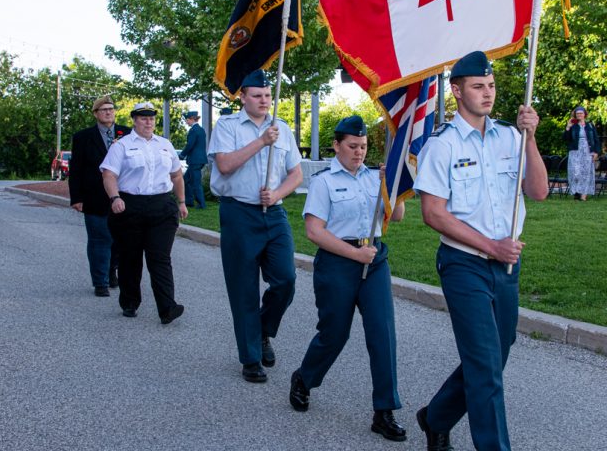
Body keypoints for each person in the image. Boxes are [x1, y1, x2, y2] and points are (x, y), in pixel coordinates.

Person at [413, 51, 548, 451]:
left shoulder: (511, 135)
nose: (487, 93)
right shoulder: (443, 144)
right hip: (463, 265)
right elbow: (433, 214)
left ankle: (435, 416)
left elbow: (538, 191)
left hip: (506, 267)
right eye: (478, 86)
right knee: (486, 368)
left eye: (490, 86)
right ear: (456, 91)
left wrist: (532, 138)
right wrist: (491, 246)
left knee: (495, 356)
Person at [289, 115, 407, 442]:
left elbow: (396, 216)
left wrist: (390, 187)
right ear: (337, 146)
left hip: (374, 261)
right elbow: (314, 231)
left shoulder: (374, 178)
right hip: (338, 263)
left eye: (364, 146)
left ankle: (384, 411)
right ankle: (304, 378)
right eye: (353, 146)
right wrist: (354, 255)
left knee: (383, 335)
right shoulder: (324, 182)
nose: (359, 152)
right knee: (334, 334)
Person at [208, 69, 303, 383]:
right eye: (258, 95)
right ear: (243, 97)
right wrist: (261, 142)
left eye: (268, 95)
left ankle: (262, 331)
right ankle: (250, 359)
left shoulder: (282, 128)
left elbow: (296, 175)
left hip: (273, 213)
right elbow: (224, 165)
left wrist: (277, 192)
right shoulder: (227, 126)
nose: (265, 100)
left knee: (286, 281)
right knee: (244, 289)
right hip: (238, 214)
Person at [100, 102, 188, 324]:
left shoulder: (165, 145)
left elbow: (176, 176)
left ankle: (167, 307)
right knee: (131, 258)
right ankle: (130, 302)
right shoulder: (122, 146)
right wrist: (115, 197)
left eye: (152, 118)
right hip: (130, 206)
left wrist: (182, 202)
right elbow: (109, 175)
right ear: (134, 120)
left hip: (161, 207)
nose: (148, 122)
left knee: (160, 258)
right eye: (143, 118)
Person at [68, 95, 131, 297]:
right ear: (96, 113)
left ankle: (113, 271)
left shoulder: (127, 134)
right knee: (99, 239)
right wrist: (76, 197)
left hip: (123, 196)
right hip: (94, 196)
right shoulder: (83, 137)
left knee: (120, 240)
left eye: (111, 109)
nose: (108, 112)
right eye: (103, 109)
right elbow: (76, 169)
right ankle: (100, 282)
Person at [563, 106, 601, 201]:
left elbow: (596, 140)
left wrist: (596, 152)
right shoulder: (573, 126)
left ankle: (583, 196)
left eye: (581, 113)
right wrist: (568, 127)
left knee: (586, 173)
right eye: (577, 113)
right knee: (575, 172)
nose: (579, 115)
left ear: (584, 114)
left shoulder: (590, 125)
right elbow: (565, 139)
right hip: (575, 151)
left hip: (588, 151)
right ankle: (577, 192)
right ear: (575, 115)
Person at [180, 111, 207, 209]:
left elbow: (190, 145)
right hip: (199, 160)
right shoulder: (201, 130)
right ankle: (189, 201)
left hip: (195, 161)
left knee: (196, 183)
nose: (186, 122)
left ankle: (201, 204)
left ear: (192, 119)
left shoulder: (193, 130)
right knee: (186, 180)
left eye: (187, 120)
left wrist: (182, 155)